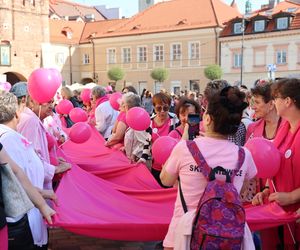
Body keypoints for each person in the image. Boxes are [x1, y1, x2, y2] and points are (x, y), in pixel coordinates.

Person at [160, 87, 256, 250]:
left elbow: (166, 180)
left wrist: (185, 142)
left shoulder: (185, 149)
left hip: (184, 236)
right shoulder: (244, 155)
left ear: (208, 119)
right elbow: (241, 192)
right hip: (228, 236)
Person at [0, 92, 57, 249]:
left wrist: (42, 195)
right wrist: (41, 201)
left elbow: (17, 174)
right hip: (19, 217)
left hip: (23, 213)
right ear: (16, 112)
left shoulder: (10, 137)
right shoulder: (8, 139)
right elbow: (15, 177)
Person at [252, 78, 300, 249]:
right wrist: (265, 190)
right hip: (276, 211)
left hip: (295, 213)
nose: (273, 102)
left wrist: (292, 197)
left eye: (276, 98)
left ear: (287, 101)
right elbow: (274, 164)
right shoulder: (284, 127)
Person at [145, 92, 178, 187]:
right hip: (156, 166)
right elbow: (147, 143)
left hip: (171, 167)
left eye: (166, 108)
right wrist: (143, 158)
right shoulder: (149, 122)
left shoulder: (175, 121)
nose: (162, 111)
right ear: (154, 107)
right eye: (159, 108)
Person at [122, 92, 151, 163]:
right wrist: (125, 148)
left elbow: (146, 141)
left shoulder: (138, 119)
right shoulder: (133, 118)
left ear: (127, 106)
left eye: (124, 105)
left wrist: (135, 154)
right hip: (132, 160)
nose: (123, 107)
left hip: (139, 161)